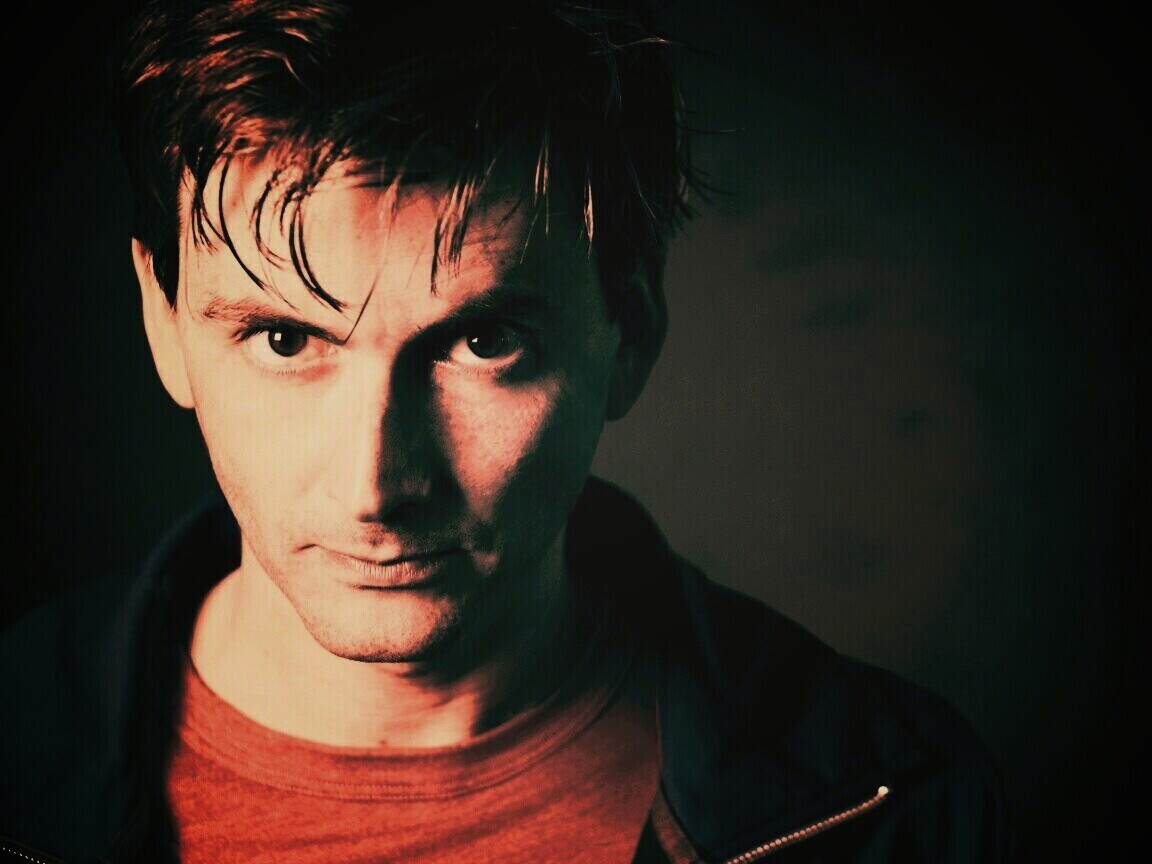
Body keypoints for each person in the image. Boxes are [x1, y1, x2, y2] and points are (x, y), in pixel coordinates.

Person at [0, 1, 1021, 862]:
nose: (375, 485)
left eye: (483, 342)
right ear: (161, 322)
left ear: (630, 333)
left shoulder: (898, 806)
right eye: (283, 339)